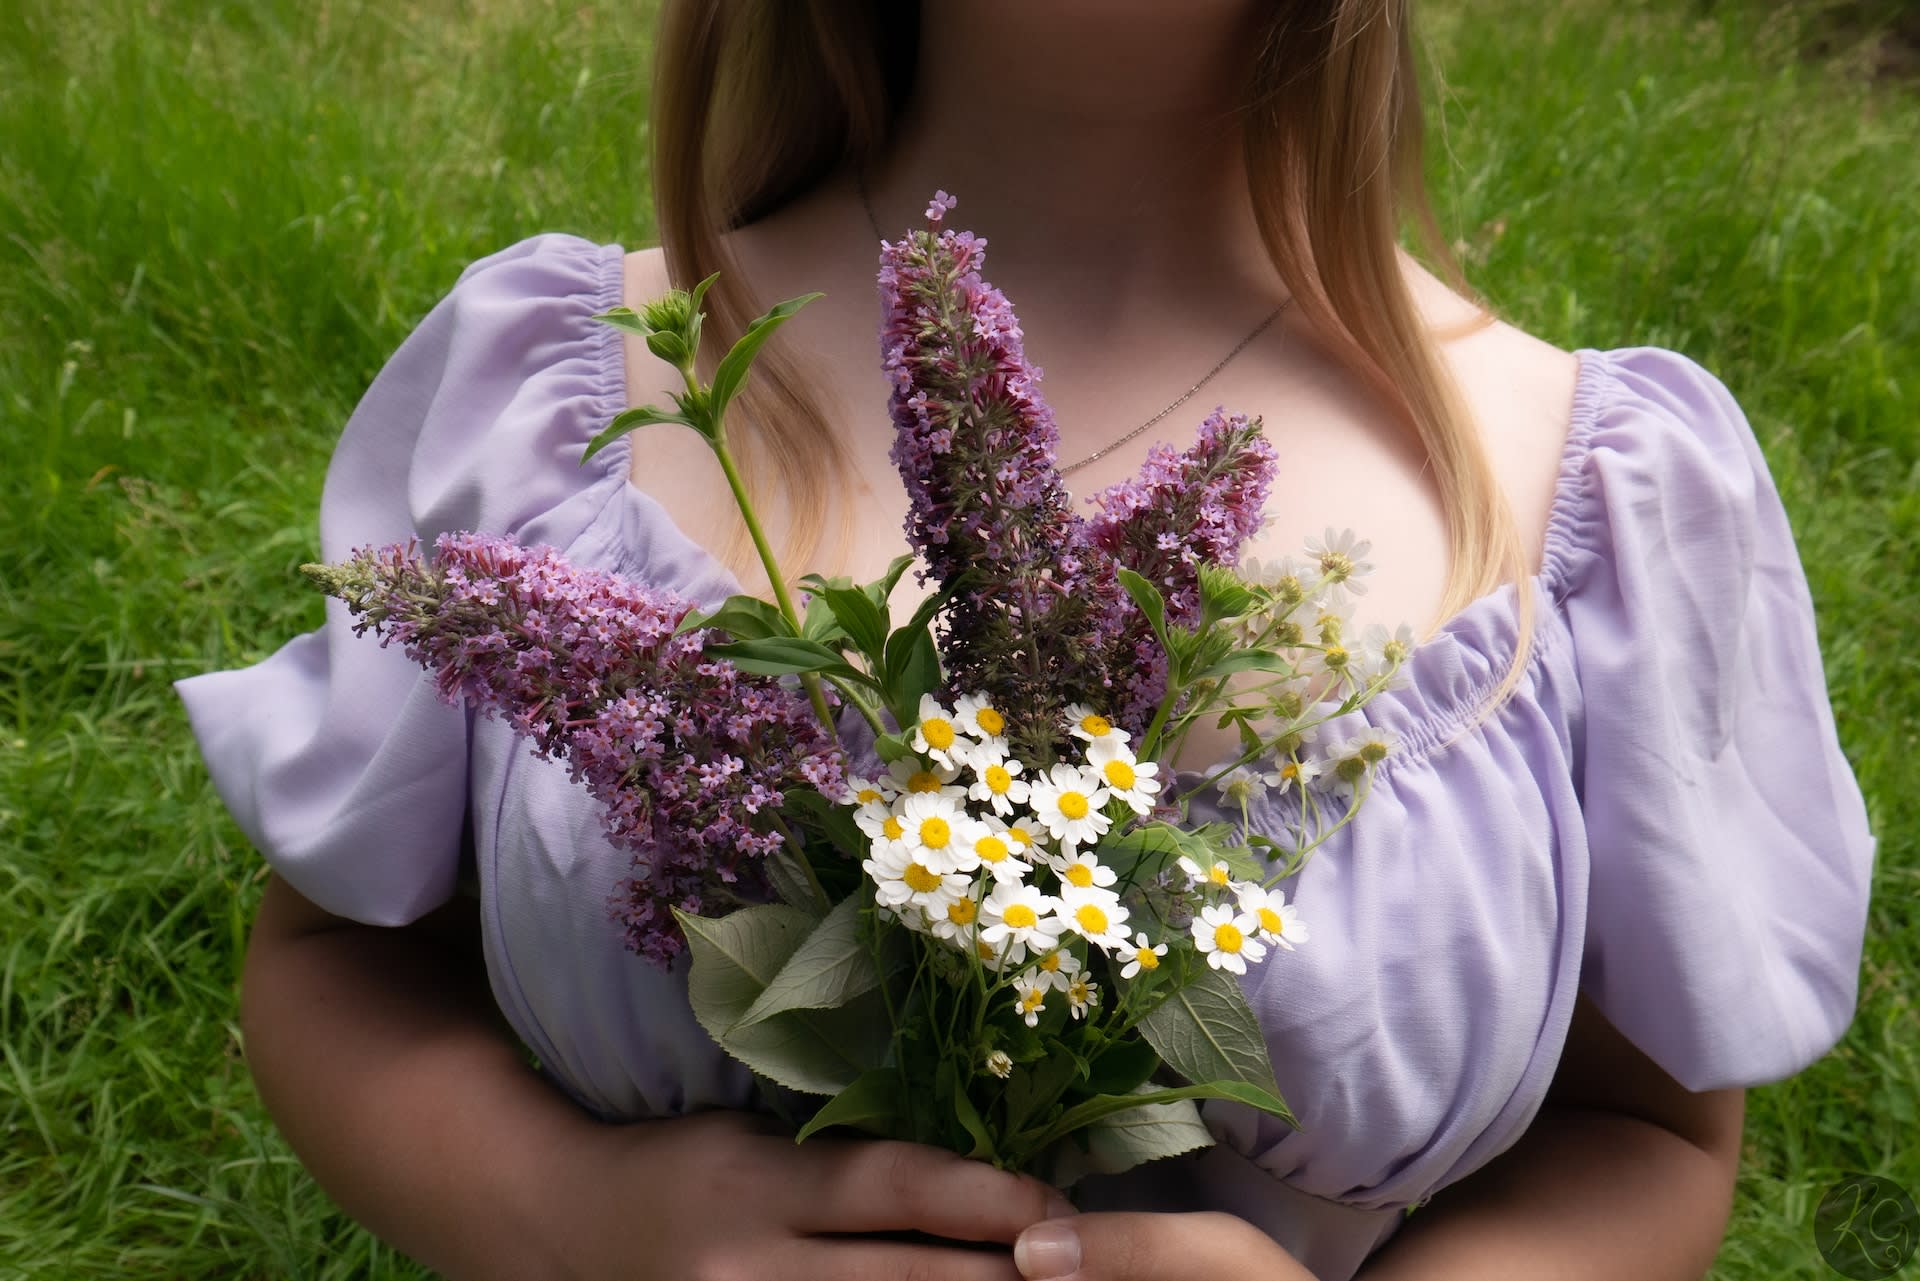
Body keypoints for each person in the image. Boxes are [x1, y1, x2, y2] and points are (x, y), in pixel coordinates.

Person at [175, 3, 1878, 1280]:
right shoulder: (562, 403)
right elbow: (331, 968)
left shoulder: (1582, 494)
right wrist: (584, 1220)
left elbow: (1647, 1135)